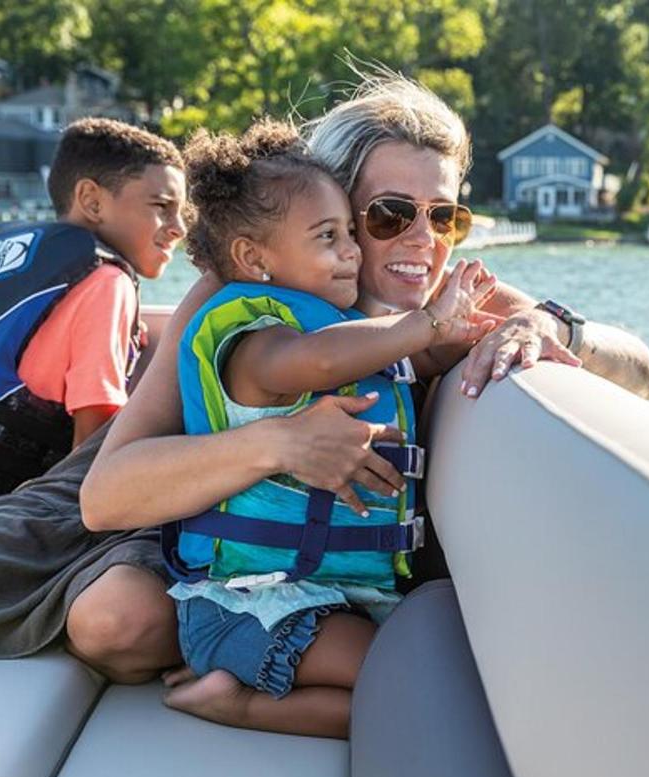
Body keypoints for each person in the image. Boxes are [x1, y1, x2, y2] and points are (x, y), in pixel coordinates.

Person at [0, 68, 649, 777]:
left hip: (279, 549)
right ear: (335, 205)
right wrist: (280, 443)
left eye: (445, 217)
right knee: (117, 621)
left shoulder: (448, 301)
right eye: (388, 215)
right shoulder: (241, 296)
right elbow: (106, 497)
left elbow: (643, 373)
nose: (421, 240)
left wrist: (548, 321)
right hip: (157, 497)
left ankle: (243, 661)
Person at [162, 119, 500, 737]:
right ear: (253, 259)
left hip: (327, 593)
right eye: (328, 237)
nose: (350, 252)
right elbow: (316, 360)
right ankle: (236, 706)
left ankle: (244, 702)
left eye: (350, 234)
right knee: (412, 687)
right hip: (254, 605)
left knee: (416, 700)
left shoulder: (354, 326)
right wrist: (428, 325)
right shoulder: (256, 338)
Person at [0, 118, 186, 492]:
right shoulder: (107, 283)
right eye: (162, 206)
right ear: (91, 201)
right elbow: (94, 436)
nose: (179, 226)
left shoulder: (12, 251)